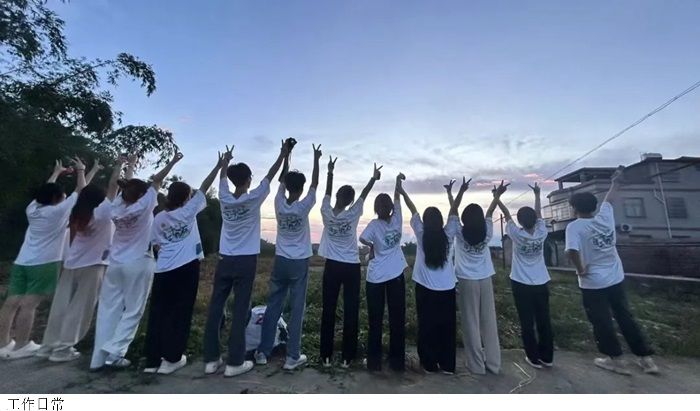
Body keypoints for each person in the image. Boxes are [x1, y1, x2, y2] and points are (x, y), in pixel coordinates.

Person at [202, 140, 289, 378]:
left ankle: (211, 359)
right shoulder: (254, 198)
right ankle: (235, 362)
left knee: (216, 307)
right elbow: (270, 176)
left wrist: (225, 162)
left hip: (224, 260)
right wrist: (283, 155)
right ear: (249, 179)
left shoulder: (224, 197)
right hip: (245, 261)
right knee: (241, 310)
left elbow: (222, 178)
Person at [90, 152, 183, 370]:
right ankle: (115, 353)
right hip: (139, 261)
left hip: (115, 264)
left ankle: (98, 358)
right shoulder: (145, 205)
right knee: (132, 311)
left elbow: (123, 187)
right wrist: (173, 161)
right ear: (142, 195)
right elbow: (157, 180)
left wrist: (126, 165)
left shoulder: (116, 207)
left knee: (108, 310)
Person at [565, 167, 658, 375]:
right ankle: (646, 359)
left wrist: (580, 269)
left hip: (593, 283)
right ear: (594, 206)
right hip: (616, 278)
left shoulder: (575, 227)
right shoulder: (605, 217)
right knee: (625, 316)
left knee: (602, 321)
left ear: (574, 208)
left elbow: (571, 251)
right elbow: (610, 198)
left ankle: (615, 360)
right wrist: (616, 182)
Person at [143, 150, 226, 375]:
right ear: (186, 198)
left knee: (158, 313)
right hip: (187, 268)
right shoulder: (189, 211)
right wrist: (219, 166)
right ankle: (172, 358)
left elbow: (156, 245)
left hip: (163, 270)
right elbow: (205, 186)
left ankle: (152, 360)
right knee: (180, 313)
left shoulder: (159, 217)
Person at [0, 158, 88, 359]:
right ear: (57, 198)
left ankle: (2, 343)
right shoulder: (58, 211)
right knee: (30, 305)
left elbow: (44, 191)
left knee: (11, 302)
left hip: (22, 261)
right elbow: (81, 189)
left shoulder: (32, 209)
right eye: (62, 196)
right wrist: (81, 170)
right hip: (45, 262)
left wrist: (56, 173)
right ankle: (22, 345)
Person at [37, 159, 113, 362]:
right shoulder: (102, 214)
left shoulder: (77, 213)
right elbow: (112, 187)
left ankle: (48, 346)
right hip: (93, 266)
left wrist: (82, 171)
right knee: (80, 309)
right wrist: (121, 167)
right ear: (100, 199)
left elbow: (82, 190)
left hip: (71, 263)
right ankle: (63, 349)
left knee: (60, 306)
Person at [254, 143, 321, 371]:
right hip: (299, 261)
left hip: (281, 259)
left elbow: (281, 181)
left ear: (286, 186)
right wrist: (316, 159)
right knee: (297, 309)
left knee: (273, 306)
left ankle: (262, 352)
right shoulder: (304, 206)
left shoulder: (279, 202)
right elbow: (315, 183)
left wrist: (286, 155)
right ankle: (293, 356)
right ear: (301, 189)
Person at [318, 159, 382, 368]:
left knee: (328, 309)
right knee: (351, 310)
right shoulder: (353, 213)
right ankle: (347, 357)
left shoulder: (326, 211)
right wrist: (373, 178)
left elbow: (327, 193)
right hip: (351, 266)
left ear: (338, 196)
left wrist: (330, 172)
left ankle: (326, 356)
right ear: (350, 201)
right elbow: (364, 194)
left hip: (332, 266)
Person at [449, 178, 507, 375]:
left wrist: (458, 192)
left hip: (466, 280)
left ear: (465, 219)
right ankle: (494, 364)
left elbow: (453, 212)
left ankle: (476, 365)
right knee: (489, 321)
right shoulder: (487, 231)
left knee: (471, 322)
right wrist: (497, 196)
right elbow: (490, 212)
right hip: (485, 279)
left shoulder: (460, 232)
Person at [401, 178, 458, 374]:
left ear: (425, 221)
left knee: (426, 326)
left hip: (425, 289)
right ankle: (448, 365)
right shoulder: (449, 234)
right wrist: (452, 194)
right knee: (447, 327)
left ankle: (429, 364)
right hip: (448, 288)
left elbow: (412, 209)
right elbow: (454, 212)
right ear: (441, 221)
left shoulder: (421, 232)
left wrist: (402, 191)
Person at [496, 182, 553, 369]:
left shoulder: (517, 235)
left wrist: (497, 197)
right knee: (544, 319)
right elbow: (539, 214)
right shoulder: (542, 232)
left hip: (521, 283)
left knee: (526, 321)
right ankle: (547, 357)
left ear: (520, 221)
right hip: (541, 282)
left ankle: (533, 357)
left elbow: (506, 214)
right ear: (535, 220)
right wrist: (537, 194)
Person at [359, 173, 408, 372]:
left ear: (376, 209)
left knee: (375, 320)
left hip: (376, 277)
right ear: (390, 209)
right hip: (396, 275)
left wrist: (372, 246)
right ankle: (397, 362)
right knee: (397, 319)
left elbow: (362, 238)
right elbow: (397, 198)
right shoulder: (397, 219)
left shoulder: (373, 225)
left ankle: (374, 363)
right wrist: (397, 182)